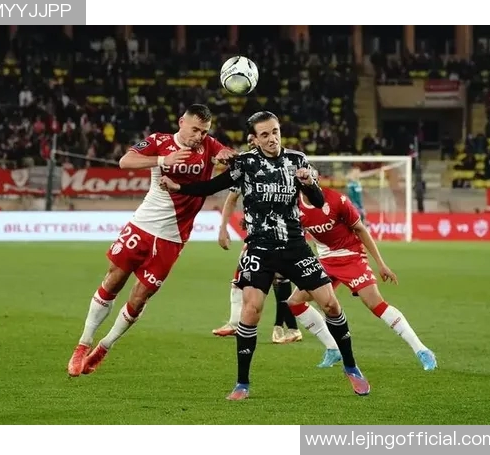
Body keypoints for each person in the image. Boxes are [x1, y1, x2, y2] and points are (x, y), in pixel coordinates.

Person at [160, 111, 370, 400]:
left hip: (295, 246)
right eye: (265, 135)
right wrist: (179, 187)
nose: (272, 139)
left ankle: (351, 366)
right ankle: (242, 384)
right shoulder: (245, 163)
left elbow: (319, 201)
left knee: (331, 304)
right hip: (259, 247)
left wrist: (309, 184)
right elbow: (212, 187)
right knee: (251, 310)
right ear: (254, 139)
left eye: (275, 132)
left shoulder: (297, 160)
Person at [66, 104, 237, 377]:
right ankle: (82, 345)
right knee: (113, 280)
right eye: (195, 130)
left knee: (140, 297)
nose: (199, 136)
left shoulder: (209, 145)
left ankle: (104, 347)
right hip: (142, 226)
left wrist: (227, 154)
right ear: (181, 123)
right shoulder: (160, 141)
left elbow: (224, 153)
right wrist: (162, 161)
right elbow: (125, 161)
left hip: (173, 238)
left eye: (204, 131)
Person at [290, 186, 437, 371]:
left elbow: (360, 229)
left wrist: (381, 264)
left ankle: (422, 350)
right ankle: (333, 348)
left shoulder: (336, 200)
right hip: (325, 261)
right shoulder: (294, 205)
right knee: (295, 302)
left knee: (376, 304)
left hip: (351, 256)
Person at [214, 186, 302, 344]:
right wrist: (225, 227)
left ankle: (285, 327)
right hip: (257, 237)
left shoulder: (283, 178)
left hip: (281, 237)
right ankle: (236, 323)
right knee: (241, 278)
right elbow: (232, 198)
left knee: (280, 280)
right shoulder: (245, 175)